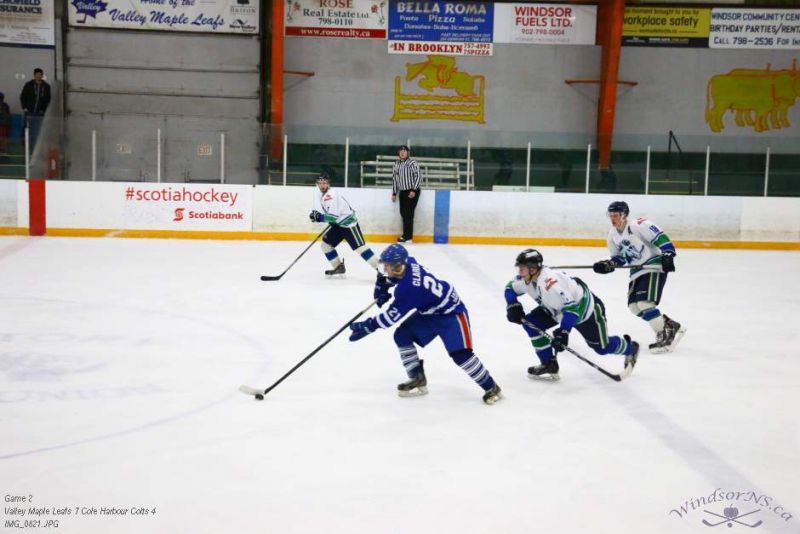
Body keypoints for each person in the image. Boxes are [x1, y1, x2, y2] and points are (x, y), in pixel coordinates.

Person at [348, 244, 502, 405]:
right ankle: (417, 378)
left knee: (460, 354)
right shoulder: (410, 262)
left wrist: (369, 325)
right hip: (430, 311)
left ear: (398, 266)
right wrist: (383, 284)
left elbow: (390, 318)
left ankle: (491, 387)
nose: (385, 269)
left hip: (451, 313)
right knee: (402, 335)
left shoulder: (408, 289)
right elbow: (397, 278)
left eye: (387, 266)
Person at [505, 248, 639, 381]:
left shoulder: (551, 284)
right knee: (531, 324)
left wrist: (564, 332)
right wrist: (512, 304)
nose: (519, 272)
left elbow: (572, 310)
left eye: (522, 268)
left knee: (602, 348)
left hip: (586, 313)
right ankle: (548, 364)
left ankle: (630, 348)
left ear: (533, 269)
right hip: (556, 309)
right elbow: (510, 288)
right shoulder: (526, 279)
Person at [592, 201, 686, 353]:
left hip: (653, 265)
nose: (612, 218)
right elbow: (619, 258)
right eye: (610, 215)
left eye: (616, 215)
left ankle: (664, 335)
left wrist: (668, 254)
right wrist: (608, 264)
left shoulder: (638, 225)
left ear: (624, 215)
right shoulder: (612, 235)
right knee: (634, 307)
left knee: (644, 303)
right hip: (636, 270)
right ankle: (669, 325)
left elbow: (660, 237)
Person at [309, 172, 380, 277]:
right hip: (338, 226)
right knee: (326, 245)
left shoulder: (330, 196)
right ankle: (339, 267)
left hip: (349, 226)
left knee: (361, 248)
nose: (322, 185)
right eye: (320, 183)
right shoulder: (323, 194)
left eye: (324, 183)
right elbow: (335, 215)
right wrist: (322, 217)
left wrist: (319, 217)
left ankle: (382, 270)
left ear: (328, 183)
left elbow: (332, 217)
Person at [390, 145, 420, 243]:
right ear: (398, 153)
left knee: (408, 214)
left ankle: (408, 237)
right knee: (403, 213)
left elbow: (418, 176)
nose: (402, 153)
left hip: (412, 191)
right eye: (401, 151)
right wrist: (394, 192)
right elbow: (395, 179)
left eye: (405, 151)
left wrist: (414, 190)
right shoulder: (396, 164)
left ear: (408, 153)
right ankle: (406, 235)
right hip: (402, 192)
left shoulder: (412, 163)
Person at [19, 68, 51, 147]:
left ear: (42, 75)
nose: (38, 76)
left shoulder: (46, 86)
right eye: (37, 75)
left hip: (40, 113)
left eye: (40, 75)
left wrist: (43, 109)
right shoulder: (29, 85)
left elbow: (48, 99)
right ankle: (25, 145)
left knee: (37, 130)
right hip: (29, 112)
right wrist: (24, 107)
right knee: (26, 128)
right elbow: (23, 96)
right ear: (34, 75)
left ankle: (35, 145)